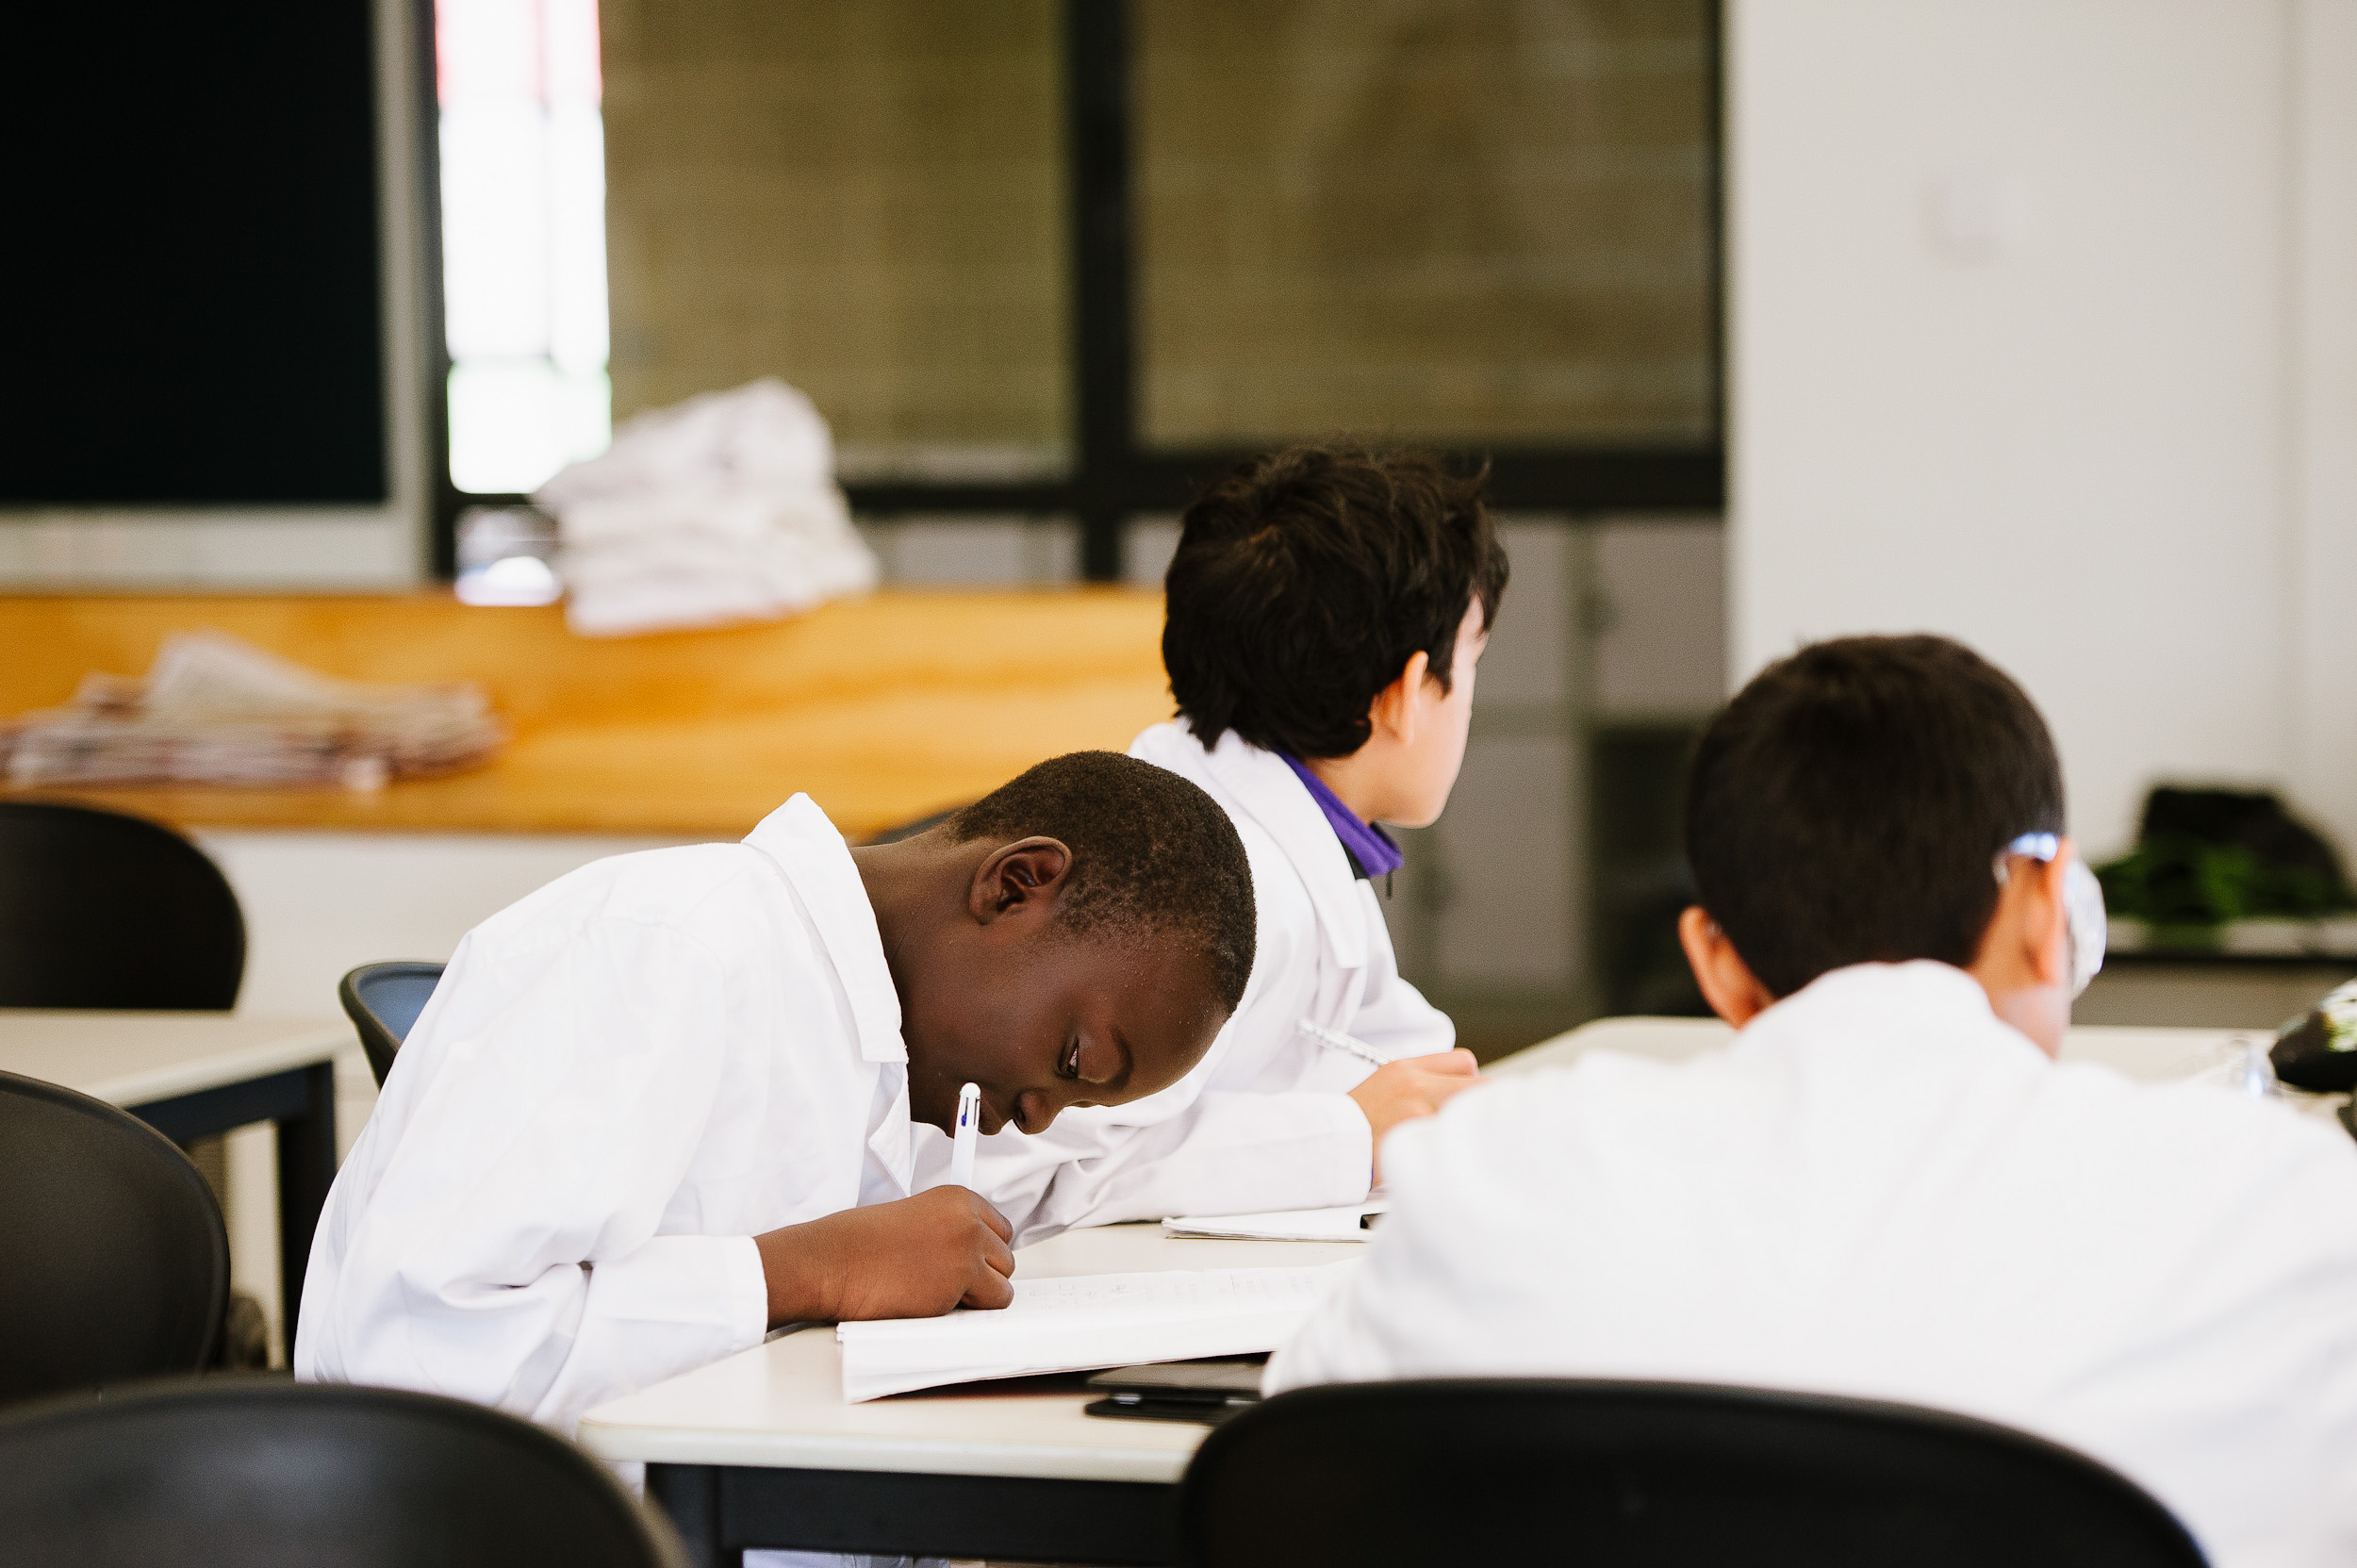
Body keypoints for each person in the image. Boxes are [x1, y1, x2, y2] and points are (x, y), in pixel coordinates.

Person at [1266, 635, 2357, 1565]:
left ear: (1716, 963)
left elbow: (1299, 1456)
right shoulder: (2268, 1205)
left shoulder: (1492, 1181)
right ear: (2043, 910)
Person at [295, 751, 1255, 1437]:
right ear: (1014, 887)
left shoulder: (889, 1038)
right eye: (1076, 1061)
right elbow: (419, 1349)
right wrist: (803, 1271)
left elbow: (1086, 1174)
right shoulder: (672, 944)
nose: (1044, 1111)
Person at [938, 445, 1502, 1240]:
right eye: (1472, 663)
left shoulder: (1286, 837)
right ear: (1408, 693)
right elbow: (1022, 1171)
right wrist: (1340, 1138)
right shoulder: (1222, 891)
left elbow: (1388, 1056)